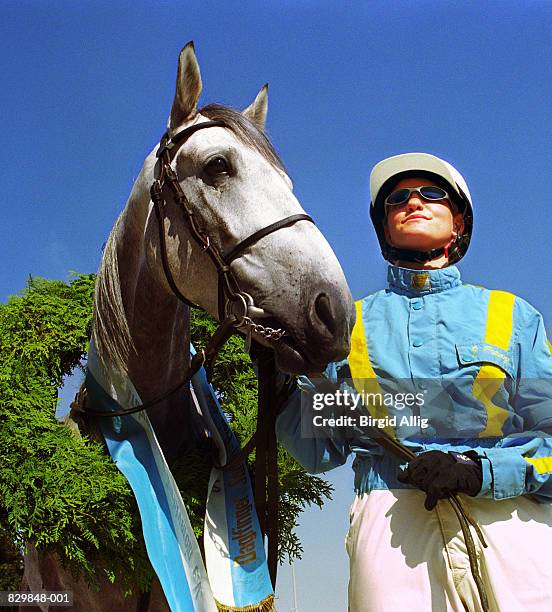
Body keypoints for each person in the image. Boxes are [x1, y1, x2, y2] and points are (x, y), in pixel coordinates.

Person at [276, 153, 552, 611]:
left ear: (459, 222)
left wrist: (479, 470)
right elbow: (317, 448)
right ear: (385, 228)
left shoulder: (514, 316)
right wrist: (280, 380)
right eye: (398, 199)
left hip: (509, 521)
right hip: (390, 523)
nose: (414, 202)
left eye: (432, 193)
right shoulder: (350, 323)